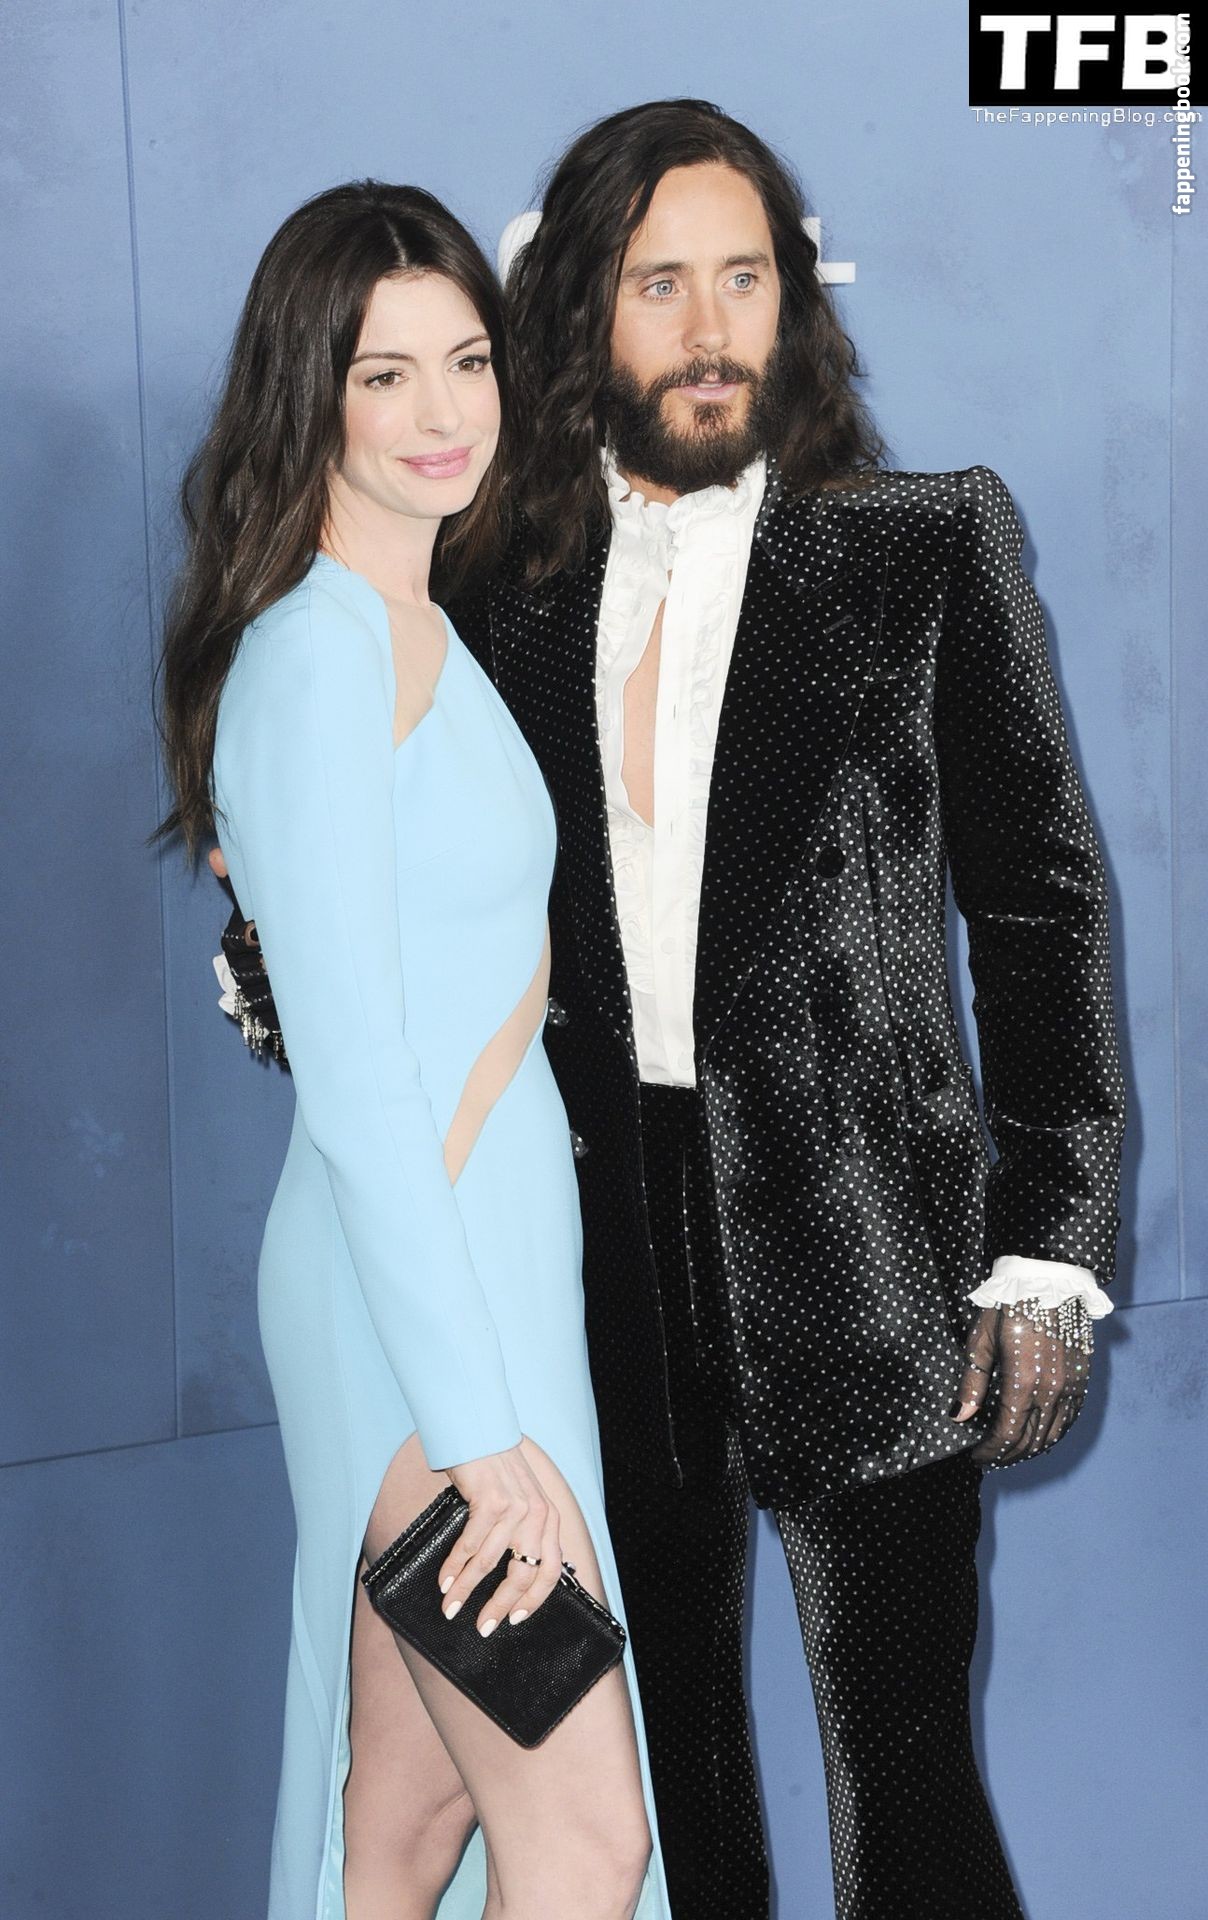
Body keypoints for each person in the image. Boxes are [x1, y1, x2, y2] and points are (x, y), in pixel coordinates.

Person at [219, 102, 1125, 1920]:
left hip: (871, 1251)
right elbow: (407, 897)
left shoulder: (926, 543)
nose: (712, 329)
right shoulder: (489, 579)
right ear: (582, 309)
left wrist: (1051, 1242)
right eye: (659, 285)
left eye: (746, 279)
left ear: (796, 299)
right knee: (663, 1789)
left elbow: (1042, 909)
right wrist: (269, 971)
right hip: (584, 1257)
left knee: (908, 1783)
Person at [155, 180, 672, 1920]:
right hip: (418, 1330)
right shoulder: (315, 658)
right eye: (385, 375)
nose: (443, 411)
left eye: (467, 360)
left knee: (407, 1825)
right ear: (308, 391)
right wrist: (472, 1420)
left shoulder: (413, 627)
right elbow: (365, 1080)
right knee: (584, 1839)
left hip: (478, 1286)